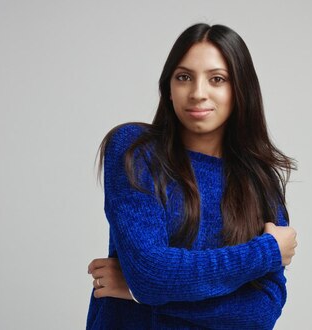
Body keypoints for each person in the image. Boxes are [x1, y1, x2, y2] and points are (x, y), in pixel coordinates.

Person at [86, 23, 298, 329]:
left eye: (217, 79)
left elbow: (260, 314)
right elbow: (150, 274)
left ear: (240, 90)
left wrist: (137, 293)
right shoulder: (135, 150)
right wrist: (266, 251)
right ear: (169, 88)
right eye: (184, 77)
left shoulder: (260, 182)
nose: (198, 93)